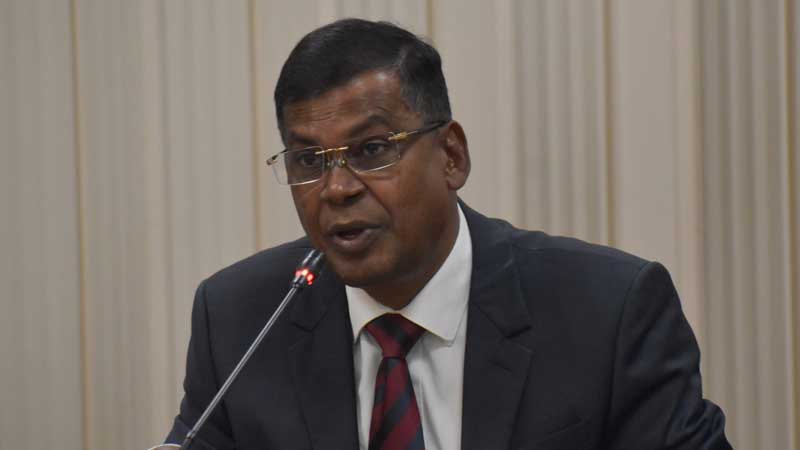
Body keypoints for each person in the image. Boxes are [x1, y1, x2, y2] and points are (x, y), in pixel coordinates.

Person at [165, 18, 732, 450]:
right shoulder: (240, 319)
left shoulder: (607, 311)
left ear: (451, 157)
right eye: (309, 160)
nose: (336, 189)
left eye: (372, 149)